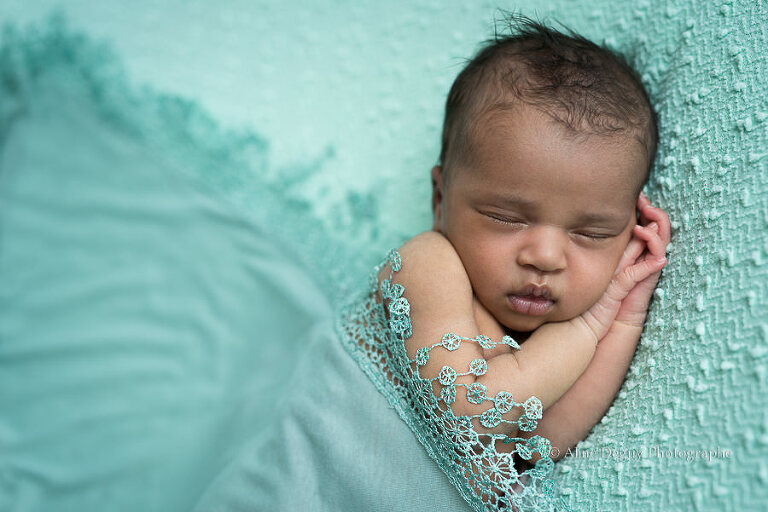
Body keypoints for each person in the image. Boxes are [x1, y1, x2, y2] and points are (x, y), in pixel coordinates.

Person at [370, 13, 671, 501]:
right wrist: (590, 325)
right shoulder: (428, 264)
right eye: (507, 218)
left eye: (590, 232)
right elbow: (473, 416)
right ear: (441, 199)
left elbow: (539, 444)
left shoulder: (545, 345)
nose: (546, 256)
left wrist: (623, 317)